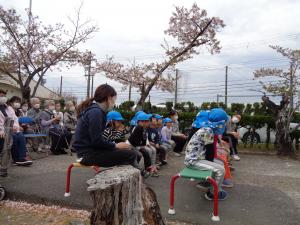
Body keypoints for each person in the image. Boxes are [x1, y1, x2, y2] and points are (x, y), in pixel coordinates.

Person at [73, 84, 138, 168]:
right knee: (130, 154)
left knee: (129, 151)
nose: (114, 103)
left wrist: (115, 146)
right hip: (87, 155)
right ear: (109, 98)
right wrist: (115, 145)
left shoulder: (96, 111)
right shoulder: (96, 112)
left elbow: (97, 141)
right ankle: (123, 178)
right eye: (114, 99)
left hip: (89, 152)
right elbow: (96, 141)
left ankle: (124, 177)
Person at [185, 108, 229, 201]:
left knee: (220, 164)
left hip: (198, 158)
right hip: (193, 161)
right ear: (219, 123)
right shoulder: (208, 131)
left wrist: (213, 164)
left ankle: (212, 185)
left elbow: (210, 154)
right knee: (220, 170)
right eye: (224, 123)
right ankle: (213, 193)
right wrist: (212, 165)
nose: (224, 125)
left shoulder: (208, 128)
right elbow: (210, 152)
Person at [0, 91, 32, 174]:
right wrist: (2, 130)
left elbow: (15, 120)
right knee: (13, 137)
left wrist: (16, 128)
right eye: (1, 96)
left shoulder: (8, 108)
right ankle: (16, 159)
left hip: (10, 129)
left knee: (20, 135)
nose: (2, 98)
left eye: (4, 96)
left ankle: (21, 158)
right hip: (3, 131)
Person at [128, 112, 158, 176]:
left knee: (146, 152)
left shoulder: (143, 129)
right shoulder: (138, 128)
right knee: (140, 154)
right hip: (131, 146)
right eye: (147, 121)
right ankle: (141, 170)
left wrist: (143, 144)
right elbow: (135, 142)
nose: (149, 122)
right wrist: (141, 146)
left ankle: (149, 168)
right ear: (142, 122)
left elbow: (143, 141)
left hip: (137, 145)